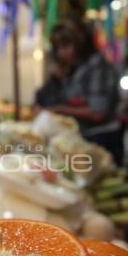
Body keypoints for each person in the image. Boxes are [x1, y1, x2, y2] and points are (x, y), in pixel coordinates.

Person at [35, 18, 123, 165]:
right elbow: (45, 98)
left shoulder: (97, 67)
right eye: (58, 48)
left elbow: (97, 113)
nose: (61, 52)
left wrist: (57, 110)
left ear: (79, 42)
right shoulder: (70, 70)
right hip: (82, 138)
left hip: (102, 139)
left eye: (66, 45)